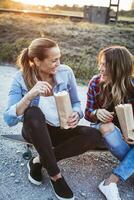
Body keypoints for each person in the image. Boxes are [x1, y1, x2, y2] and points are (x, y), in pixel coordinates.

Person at [4, 37, 104, 200]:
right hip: (35, 130)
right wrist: (29, 95)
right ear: (37, 61)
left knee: (94, 135)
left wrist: (76, 114)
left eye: (59, 58)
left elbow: (76, 103)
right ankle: (56, 176)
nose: (59, 63)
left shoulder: (65, 72)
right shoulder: (20, 78)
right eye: (54, 60)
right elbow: (9, 119)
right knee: (33, 112)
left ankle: (38, 161)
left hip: (61, 129)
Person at [85, 45, 134, 200]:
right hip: (104, 133)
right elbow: (87, 113)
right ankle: (128, 168)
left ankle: (111, 181)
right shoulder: (95, 83)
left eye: (105, 64)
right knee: (107, 126)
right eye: (100, 63)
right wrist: (96, 112)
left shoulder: (132, 87)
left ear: (118, 68)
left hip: (130, 136)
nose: (100, 68)